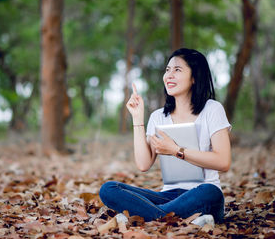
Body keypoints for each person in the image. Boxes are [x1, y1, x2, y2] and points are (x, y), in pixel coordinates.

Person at [99, 48, 232, 223]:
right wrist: (138, 117)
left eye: (177, 70)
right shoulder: (158, 117)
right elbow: (143, 163)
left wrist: (176, 150)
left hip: (203, 193)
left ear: (194, 78)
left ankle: (147, 216)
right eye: (167, 70)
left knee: (210, 192)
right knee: (109, 188)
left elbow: (223, 161)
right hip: (169, 196)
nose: (169, 75)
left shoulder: (212, 109)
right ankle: (174, 217)